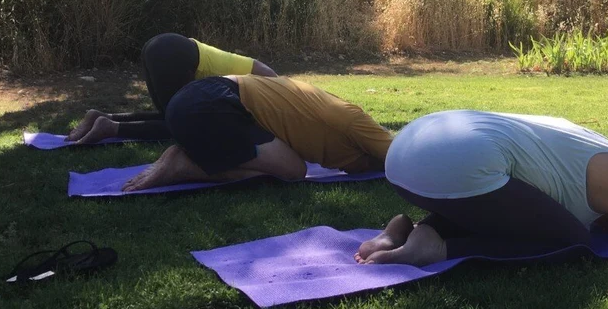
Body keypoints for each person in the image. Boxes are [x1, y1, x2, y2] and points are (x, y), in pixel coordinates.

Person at [356, 110, 608, 266]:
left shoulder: (590, 147)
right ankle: (437, 248)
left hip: (405, 156)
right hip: (456, 160)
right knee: (573, 238)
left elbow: (507, 205)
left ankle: (405, 228)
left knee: (504, 201)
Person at [120, 74, 393, 192]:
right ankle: (185, 165)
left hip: (200, 99)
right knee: (292, 171)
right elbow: (401, 155)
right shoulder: (356, 123)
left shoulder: (331, 122)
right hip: (209, 107)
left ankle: (193, 153)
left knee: (285, 162)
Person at [67, 33, 278, 144]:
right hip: (174, 53)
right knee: (181, 126)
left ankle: (103, 117)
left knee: (167, 116)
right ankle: (111, 128)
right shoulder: (269, 79)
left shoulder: (262, 74)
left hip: (161, 46)